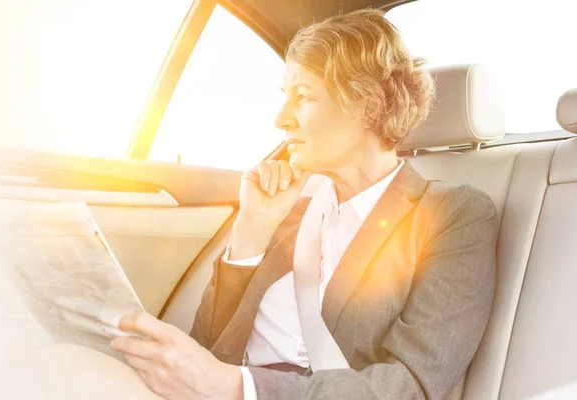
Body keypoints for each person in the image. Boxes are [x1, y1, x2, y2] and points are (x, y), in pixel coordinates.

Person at [111, 8, 497, 400]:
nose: (281, 119)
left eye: (304, 97)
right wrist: (250, 233)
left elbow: (411, 386)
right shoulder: (290, 214)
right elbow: (209, 348)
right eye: (285, 98)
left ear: (368, 105)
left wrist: (238, 388)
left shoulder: (452, 216)